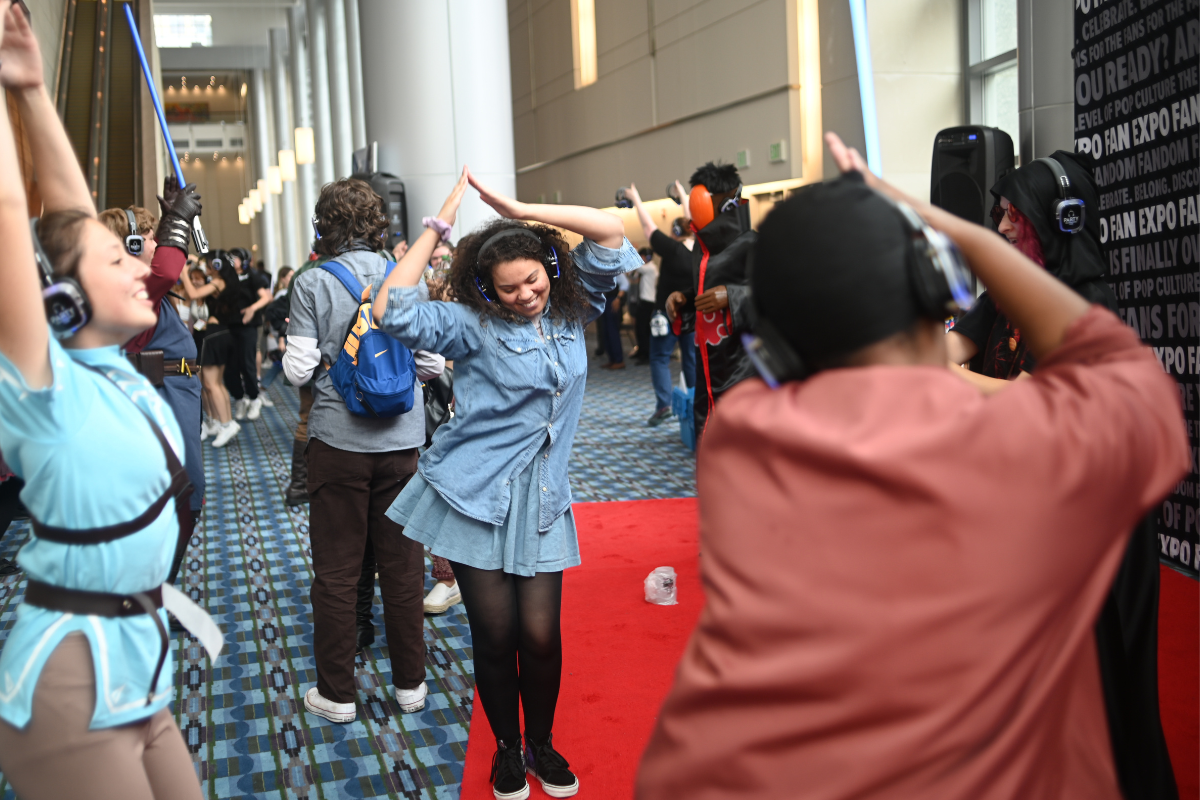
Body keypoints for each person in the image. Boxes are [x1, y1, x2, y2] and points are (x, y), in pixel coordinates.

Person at [634, 133, 1190, 800]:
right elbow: (1129, 381)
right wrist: (963, 237)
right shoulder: (1019, 452)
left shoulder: (743, 440)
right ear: (937, 291)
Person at [372, 166, 640, 800]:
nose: (525, 294)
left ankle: (543, 743)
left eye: (533, 279)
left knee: (541, 635)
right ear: (486, 291)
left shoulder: (575, 309)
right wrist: (438, 226)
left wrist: (518, 208)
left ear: (549, 268)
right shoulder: (471, 325)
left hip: (545, 497)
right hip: (475, 494)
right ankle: (507, 750)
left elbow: (609, 229)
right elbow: (390, 309)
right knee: (494, 634)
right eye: (509, 288)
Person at [0, 5, 210, 796]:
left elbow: (71, 216)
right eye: (118, 258)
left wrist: (28, 87)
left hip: (140, 662)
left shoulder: (115, 369)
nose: (142, 266)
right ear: (56, 301)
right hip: (71, 685)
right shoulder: (41, 387)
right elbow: (13, 219)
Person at [947, 153, 1179, 800]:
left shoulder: (1091, 309)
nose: (1000, 227)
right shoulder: (1007, 291)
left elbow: (1027, 394)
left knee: (1097, 685)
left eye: (1012, 217)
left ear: (1058, 223)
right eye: (998, 215)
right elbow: (952, 347)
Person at [282, 178, 445, 724]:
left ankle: (337, 695)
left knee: (336, 571)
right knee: (403, 567)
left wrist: (331, 356)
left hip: (338, 443)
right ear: (380, 225)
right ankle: (411, 686)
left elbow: (298, 370)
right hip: (403, 443)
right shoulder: (408, 278)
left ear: (322, 227)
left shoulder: (311, 284)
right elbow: (431, 365)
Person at [97, 199, 204, 595]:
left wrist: (172, 215)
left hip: (172, 398)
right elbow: (168, 268)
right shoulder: (124, 293)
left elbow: (164, 270)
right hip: (156, 404)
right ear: (129, 246)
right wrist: (176, 222)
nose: (155, 241)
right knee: (177, 497)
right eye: (147, 236)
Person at [664, 162, 756, 442]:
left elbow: (777, 294)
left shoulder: (751, 244)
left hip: (743, 361)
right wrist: (685, 300)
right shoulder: (702, 250)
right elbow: (704, 292)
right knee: (709, 431)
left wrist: (731, 295)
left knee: (743, 434)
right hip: (708, 360)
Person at [627, 182, 697, 426]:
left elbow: (648, 227)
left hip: (666, 314)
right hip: (693, 313)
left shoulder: (672, 250)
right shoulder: (699, 249)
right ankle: (694, 403)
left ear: (675, 233)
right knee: (690, 357)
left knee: (659, 358)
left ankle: (664, 406)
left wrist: (636, 198)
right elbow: (691, 223)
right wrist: (683, 197)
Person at [223, 247, 271, 421]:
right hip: (229, 325)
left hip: (248, 326)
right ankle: (239, 399)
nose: (231, 262)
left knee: (247, 363)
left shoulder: (253, 276)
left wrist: (252, 308)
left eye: (235, 258)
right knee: (230, 367)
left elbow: (266, 297)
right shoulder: (226, 277)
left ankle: (254, 398)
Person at [632, 247, 657, 365]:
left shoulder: (651, 267)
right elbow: (633, 277)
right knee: (639, 328)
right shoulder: (646, 268)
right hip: (643, 301)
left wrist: (632, 251)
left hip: (648, 302)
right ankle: (641, 350)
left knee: (644, 329)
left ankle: (646, 354)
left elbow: (636, 266)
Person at [601, 271, 629, 369]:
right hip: (605, 299)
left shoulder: (614, 268)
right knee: (606, 331)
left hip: (613, 300)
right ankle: (612, 359)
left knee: (612, 330)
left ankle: (618, 359)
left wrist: (618, 298)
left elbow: (625, 283)